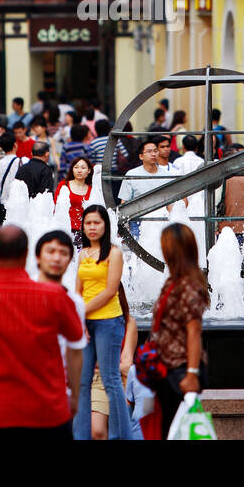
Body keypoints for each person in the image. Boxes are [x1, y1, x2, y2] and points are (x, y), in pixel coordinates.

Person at [0, 226, 83, 439]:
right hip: (50, 410)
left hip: (1, 412)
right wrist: (73, 395)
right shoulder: (54, 295)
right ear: (27, 254)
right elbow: (75, 346)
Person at [73, 205, 135, 441]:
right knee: (83, 380)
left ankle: (122, 435)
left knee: (110, 379)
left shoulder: (115, 253)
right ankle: (80, 436)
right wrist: (79, 317)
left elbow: (110, 291)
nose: (91, 227)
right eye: (87, 223)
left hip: (109, 321)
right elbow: (78, 290)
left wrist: (80, 312)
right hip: (85, 323)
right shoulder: (82, 254)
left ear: (105, 225)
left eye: (96, 223)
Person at [148, 222, 209, 433]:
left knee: (178, 430)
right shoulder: (174, 282)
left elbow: (194, 332)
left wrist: (191, 374)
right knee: (169, 429)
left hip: (181, 370)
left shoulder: (189, 287)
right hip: (169, 368)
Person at [118, 138, 179, 240]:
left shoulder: (167, 176)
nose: (153, 154)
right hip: (137, 223)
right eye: (149, 151)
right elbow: (124, 202)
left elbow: (170, 204)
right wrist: (124, 225)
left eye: (155, 151)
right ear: (141, 156)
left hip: (161, 221)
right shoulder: (132, 175)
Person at [56, 156, 94, 234]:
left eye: (83, 168)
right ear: (72, 169)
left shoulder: (92, 190)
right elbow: (55, 206)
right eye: (76, 167)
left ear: (89, 170)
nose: (79, 170)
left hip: (84, 231)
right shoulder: (64, 185)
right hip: (65, 229)